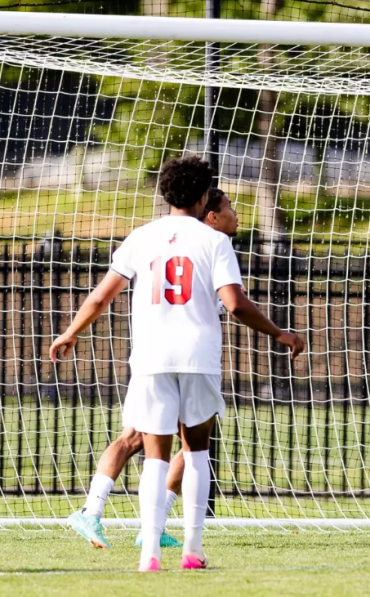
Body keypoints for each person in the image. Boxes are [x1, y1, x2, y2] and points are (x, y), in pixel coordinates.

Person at [50, 157, 303, 572]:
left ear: (165, 195)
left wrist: (71, 332)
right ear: (204, 197)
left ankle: (149, 553)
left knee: (155, 456)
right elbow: (235, 303)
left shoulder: (141, 236)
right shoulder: (214, 241)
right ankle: (192, 549)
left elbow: (100, 297)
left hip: (151, 358)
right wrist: (279, 332)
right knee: (197, 451)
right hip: (198, 356)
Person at [66, 188, 240, 551]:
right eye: (229, 208)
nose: (235, 214)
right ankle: (99, 513)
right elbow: (231, 304)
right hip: (180, 359)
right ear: (210, 215)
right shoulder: (208, 246)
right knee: (158, 441)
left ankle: (134, 521)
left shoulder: (193, 245)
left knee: (165, 441)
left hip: (160, 359)